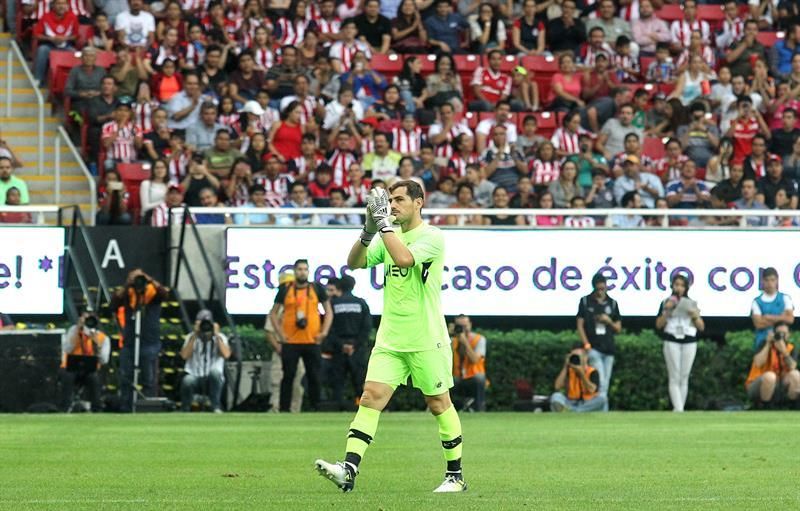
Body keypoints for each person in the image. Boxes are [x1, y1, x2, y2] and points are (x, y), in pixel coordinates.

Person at [315, 181, 467, 493]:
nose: (393, 205)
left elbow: (405, 259)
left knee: (439, 404)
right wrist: (368, 230)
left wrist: (383, 225)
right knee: (370, 397)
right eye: (390, 200)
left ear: (419, 203)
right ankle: (349, 470)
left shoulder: (432, 237)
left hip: (427, 338)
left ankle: (455, 476)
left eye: (399, 200)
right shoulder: (387, 236)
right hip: (390, 339)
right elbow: (354, 263)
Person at [270, 259, 332, 412]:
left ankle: (315, 407)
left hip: (312, 340)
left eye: (305, 269)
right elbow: (273, 313)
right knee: (288, 376)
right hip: (291, 341)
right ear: (294, 271)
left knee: (314, 376)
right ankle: (284, 409)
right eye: (299, 269)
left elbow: (328, 312)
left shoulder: (316, 289)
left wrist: (323, 332)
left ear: (308, 271)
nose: (302, 272)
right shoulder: (285, 289)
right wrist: (280, 334)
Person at [110, 269, 168, 413]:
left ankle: (147, 407)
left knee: (148, 378)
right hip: (130, 342)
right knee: (126, 377)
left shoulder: (153, 294)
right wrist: (127, 284)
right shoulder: (129, 294)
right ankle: (126, 407)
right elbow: (113, 304)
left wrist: (149, 278)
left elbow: (164, 293)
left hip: (149, 341)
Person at [655, 274, 705, 412]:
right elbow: (659, 324)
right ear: (672, 286)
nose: (679, 288)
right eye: (676, 284)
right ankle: (679, 409)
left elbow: (701, 326)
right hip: (672, 339)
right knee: (674, 375)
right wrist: (668, 310)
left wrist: (694, 316)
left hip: (689, 339)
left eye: (682, 285)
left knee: (684, 375)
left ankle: (679, 408)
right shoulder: (666, 302)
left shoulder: (692, 303)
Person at [576, 273, 621, 412]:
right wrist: (586, 344)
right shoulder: (585, 301)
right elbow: (579, 325)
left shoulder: (612, 303)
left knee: (605, 382)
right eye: (598, 289)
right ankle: (603, 410)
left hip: (608, 348)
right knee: (600, 381)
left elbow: (618, 328)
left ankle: (601, 410)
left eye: (603, 289)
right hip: (594, 347)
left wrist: (608, 321)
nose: (601, 292)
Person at [327, 275, 372, 411]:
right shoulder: (361, 303)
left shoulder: (334, 304)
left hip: (339, 348)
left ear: (339, 287)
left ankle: (338, 407)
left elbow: (330, 328)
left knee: (338, 381)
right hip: (356, 348)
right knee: (359, 380)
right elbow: (367, 327)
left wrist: (342, 345)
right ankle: (361, 407)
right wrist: (355, 345)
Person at [179, 309, 231, 413]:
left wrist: (216, 335)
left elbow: (226, 355)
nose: (205, 326)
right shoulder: (190, 337)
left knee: (215, 373)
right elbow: (184, 356)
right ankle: (185, 409)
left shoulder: (220, 337)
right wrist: (195, 335)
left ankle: (215, 407)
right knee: (187, 380)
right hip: (195, 376)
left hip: (213, 378)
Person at [59, 311, 110, 412]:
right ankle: (64, 407)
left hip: (90, 370)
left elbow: (104, 360)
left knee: (94, 378)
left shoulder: (102, 337)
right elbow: (67, 349)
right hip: (70, 367)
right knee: (67, 376)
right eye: (85, 318)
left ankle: (96, 408)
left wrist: (97, 346)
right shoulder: (73, 331)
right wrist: (78, 330)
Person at [745, 321, 800, 407]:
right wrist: (768, 344)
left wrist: (784, 351)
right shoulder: (764, 344)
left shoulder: (791, 348)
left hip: (780, 384)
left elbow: (793, 366)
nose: (781, 336)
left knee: (796, 374)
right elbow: (758, 363)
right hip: (758, 384)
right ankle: (765, 407)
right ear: (774, 334)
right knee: (770, 376)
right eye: (779, 333)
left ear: (789, 334)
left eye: (784, 334)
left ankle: (792, 405)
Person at [550, 343, 607, 413]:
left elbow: (592, 389)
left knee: (602, 399)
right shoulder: (568, 371)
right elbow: (557, 387)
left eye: (578, 356)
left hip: (586, 402)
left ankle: (573, 411)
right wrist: (565, 366)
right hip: (570, 401)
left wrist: (581, 373)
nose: (576, 358)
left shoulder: (592, 371)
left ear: (585, 357)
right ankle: (575, 411)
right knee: (555, 396)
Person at [32, 0, 78, 84]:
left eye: (64, 4)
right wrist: (51, 39)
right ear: (53, 5)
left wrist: (65, 38)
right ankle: (37, 79)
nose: (61, 6)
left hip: (66, 46)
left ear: (67, 6)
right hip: (50, 46)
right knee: (42, 50)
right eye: (59, 3)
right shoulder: (45, 17)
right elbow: (37, 35)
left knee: (74, 53)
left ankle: (73, 82)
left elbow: (76, 36)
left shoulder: (72, 17)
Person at [450, 314, 487, 412]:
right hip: (457, 376)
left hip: (472, 375)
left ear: (470, 325)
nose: (462, 329)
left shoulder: (479, 339)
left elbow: (475, 359)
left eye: (464, 326)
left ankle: (479, 408)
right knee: (447, 381)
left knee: (480, 378)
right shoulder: (452, 341)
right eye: (459, 327)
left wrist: (464, 341)